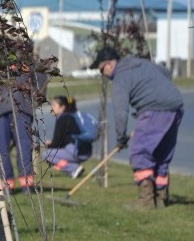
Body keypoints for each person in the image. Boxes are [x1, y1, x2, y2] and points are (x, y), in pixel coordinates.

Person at [90, 46, 183, 208]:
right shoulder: (140, 63)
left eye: (101, 69)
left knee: (139, 151)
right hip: (176, 105)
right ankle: (161, 199)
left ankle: (146, 201)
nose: (102, 74)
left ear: (110, 64)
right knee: (162, 153)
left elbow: (121, 112)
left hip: (155, 109)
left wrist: (120, 138)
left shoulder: (120, 78)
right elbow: (166, 73)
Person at [0, 63, 47, 192]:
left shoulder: (28, 59)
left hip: (22, 110)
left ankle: (27, 185)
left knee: (24, 147)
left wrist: (30, 70)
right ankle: (6, 185)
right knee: (1, 149)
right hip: (0, 110)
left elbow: (41, 80)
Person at [43, 96, 91, 179]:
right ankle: (73, 170)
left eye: (54, 105)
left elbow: (57, 142)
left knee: (46, 155)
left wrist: (49, 146)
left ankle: (73, 168)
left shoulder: (62, 119)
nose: (51, 108)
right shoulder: (71, 116)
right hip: (86, 150)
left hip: (76, 151)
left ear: (62, 107)